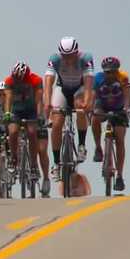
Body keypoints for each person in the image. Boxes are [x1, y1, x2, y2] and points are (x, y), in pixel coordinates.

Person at [44, 36, 94, 181]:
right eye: (64, 55)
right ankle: (56, 163)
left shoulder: (85, 58)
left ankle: (82, 145)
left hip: (80, 88)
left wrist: (88, 100)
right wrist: (47, 102)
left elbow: (89, 81)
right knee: (57, 123)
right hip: (62, 88)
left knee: (80, 107)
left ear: (76, 52)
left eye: (70, 55)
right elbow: (48, 81)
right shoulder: (55, 58)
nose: (67, 58)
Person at [91, 56, 130, 191]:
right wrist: (90, 109)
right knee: (95, 118)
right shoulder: (98, 79)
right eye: (107, 72)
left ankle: (119, 176)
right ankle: (98, 148)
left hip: (119, 108)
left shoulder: (123, 77)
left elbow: (127, 95)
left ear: (117, 71)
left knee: (120, 139)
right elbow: (92, 96)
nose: (110, 74)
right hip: (102, 106)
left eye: (113, 71)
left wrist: (126, 109)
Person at [2, 61, 43, 182]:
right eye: (16, 79)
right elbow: (8, 98)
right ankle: (13, 158)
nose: (18, 82)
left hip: (31, 109)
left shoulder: (36, 80)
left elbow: (39, 99)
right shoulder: (9, 81)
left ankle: (34, 164)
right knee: (13, 132)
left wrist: (39, 114)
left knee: (31, 132)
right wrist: (7, 113)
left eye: (21, 80)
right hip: (16, 110)